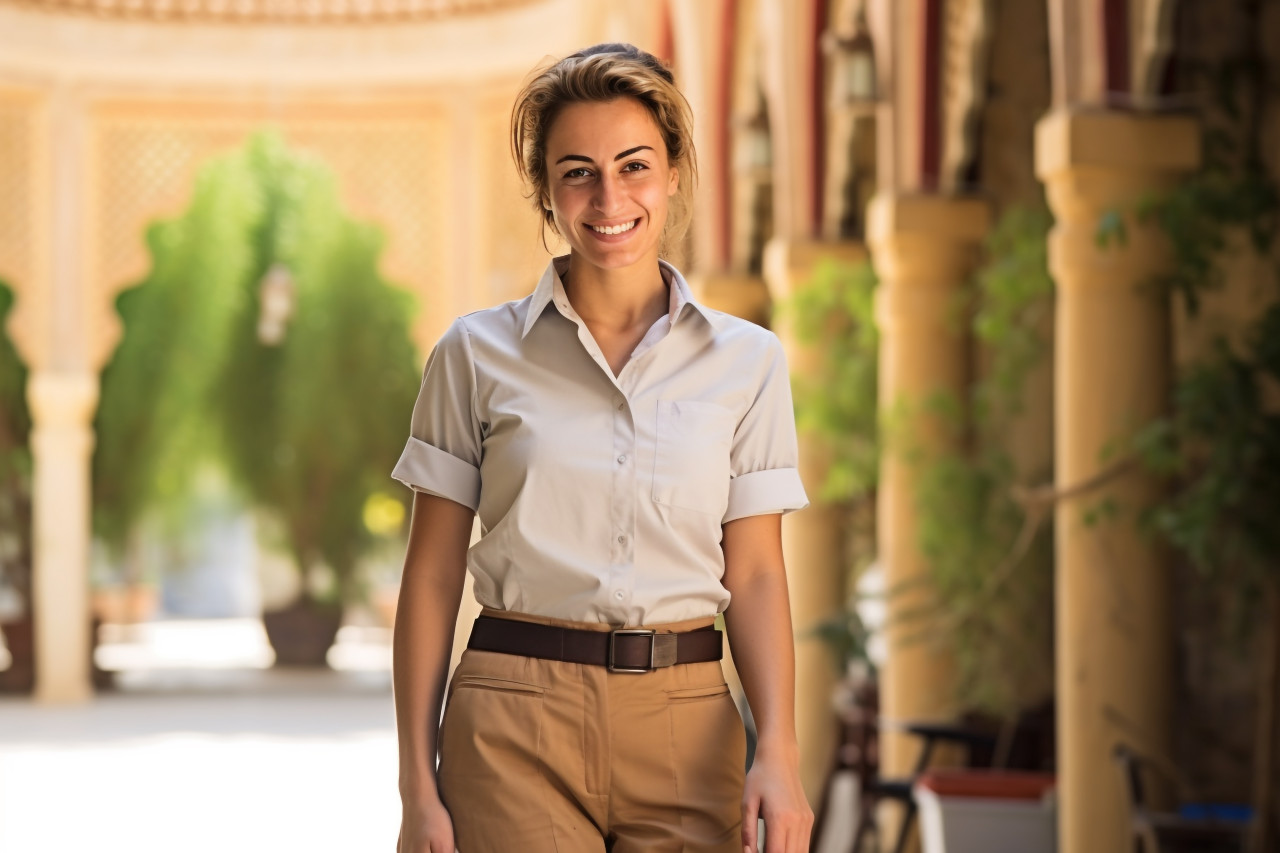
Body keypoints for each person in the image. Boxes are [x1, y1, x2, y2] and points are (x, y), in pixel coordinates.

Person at [391, 42, 812, 853]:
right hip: (513, 719)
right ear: (546, 190)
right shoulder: (474, 354)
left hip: (689, 725)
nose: (608, 196)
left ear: (675, 171)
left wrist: (781, 753)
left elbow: (756, 569)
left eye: (633, 165)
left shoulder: (748, 362)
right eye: (577, 170)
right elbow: (434, 570)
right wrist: (417, 784)